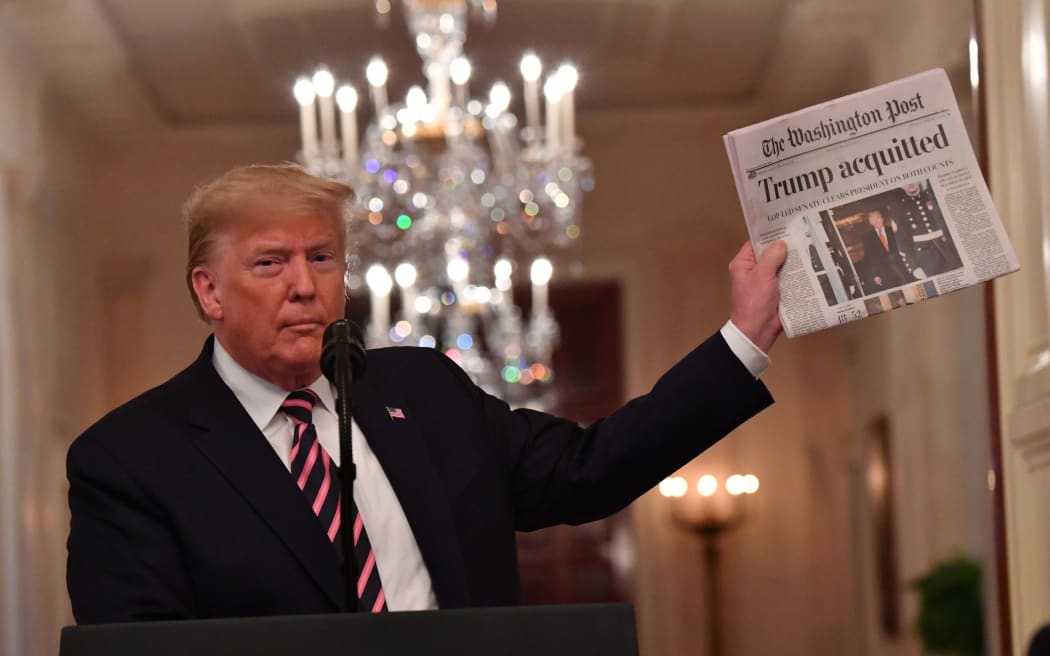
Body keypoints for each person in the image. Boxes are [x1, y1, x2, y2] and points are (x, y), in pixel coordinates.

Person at [66, 164, 787, 623]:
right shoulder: (131, 461)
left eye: (321, 258)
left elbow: (588, 468)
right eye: (269, 262)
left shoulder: (423, 390)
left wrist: (743, 339)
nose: (304, 285)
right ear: (209, 290)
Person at [859, 208, 911, 294]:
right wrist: (874, 275)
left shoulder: (892, 230)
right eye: (872, 219)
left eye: (877, 218)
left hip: (902, 268)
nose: (876, 221)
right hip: (884, 274)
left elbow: (904, 247)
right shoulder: (867, 237)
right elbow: (868, 258)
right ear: (870, 222)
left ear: (882, 219)